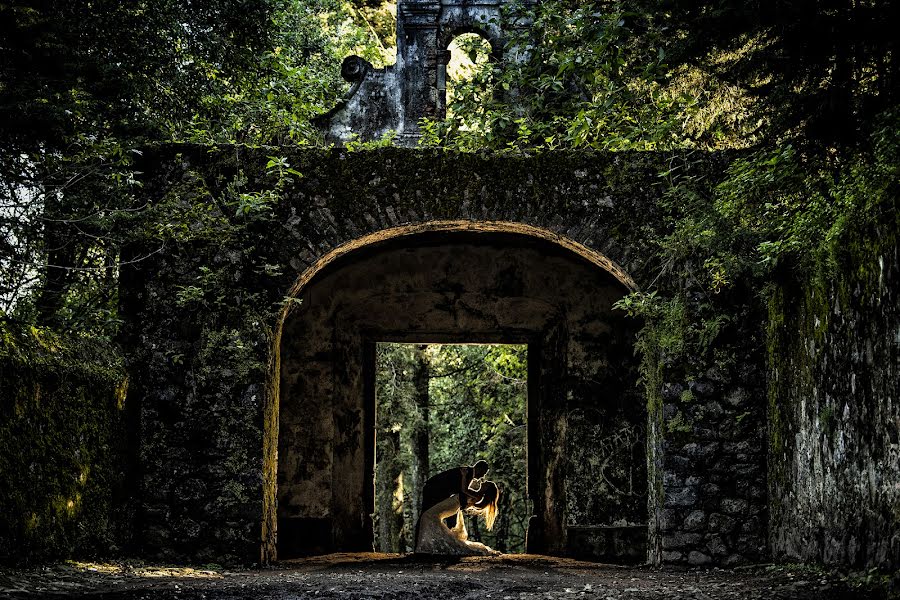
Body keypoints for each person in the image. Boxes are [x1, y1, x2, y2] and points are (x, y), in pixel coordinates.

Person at [415, 480, 501, 555]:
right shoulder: (476, 494)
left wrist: (463, 476)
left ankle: (429, 544)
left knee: (428, 516)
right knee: (428, 516)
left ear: (486, 488)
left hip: (453, 504)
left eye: (486, 483)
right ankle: (430, 544)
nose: (484, 481)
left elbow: (463, 489)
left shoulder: (477, 495)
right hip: (453, 505)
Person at [420, 459, 489, 532]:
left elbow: (461, 490)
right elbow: (464, 490)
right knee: (427, 514)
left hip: (440, 491)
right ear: (479, 469)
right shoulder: (468, 473)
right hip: (435, 489)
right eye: (483, 473)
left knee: (429, 514)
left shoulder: (468, 472)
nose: (482, 477)